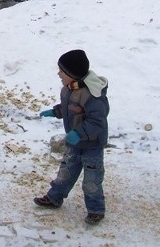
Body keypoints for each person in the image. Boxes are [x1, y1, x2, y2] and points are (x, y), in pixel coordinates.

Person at [34, 49, 110, 225]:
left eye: (62, 71)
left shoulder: (93, 96)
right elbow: (70, 107)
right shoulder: (68, 89)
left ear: (72, 74)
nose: (58, 73)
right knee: (66, 172)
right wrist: (56, 111)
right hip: (74, 143)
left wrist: (78, 133)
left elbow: (97, 122)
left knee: (92, 180)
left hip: (91, 145)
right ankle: (54, 198)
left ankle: (96, 209)